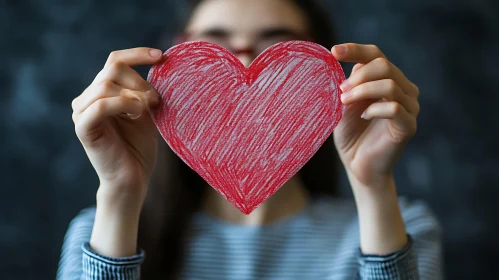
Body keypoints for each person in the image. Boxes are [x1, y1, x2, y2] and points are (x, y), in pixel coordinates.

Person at [57, 0, 442, 279]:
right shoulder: (99, 232)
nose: (242, 56)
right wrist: (121, 194)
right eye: (213, 41)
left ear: (328, 73)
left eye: (277, 42)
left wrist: (372, 185)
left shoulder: (400, 225)